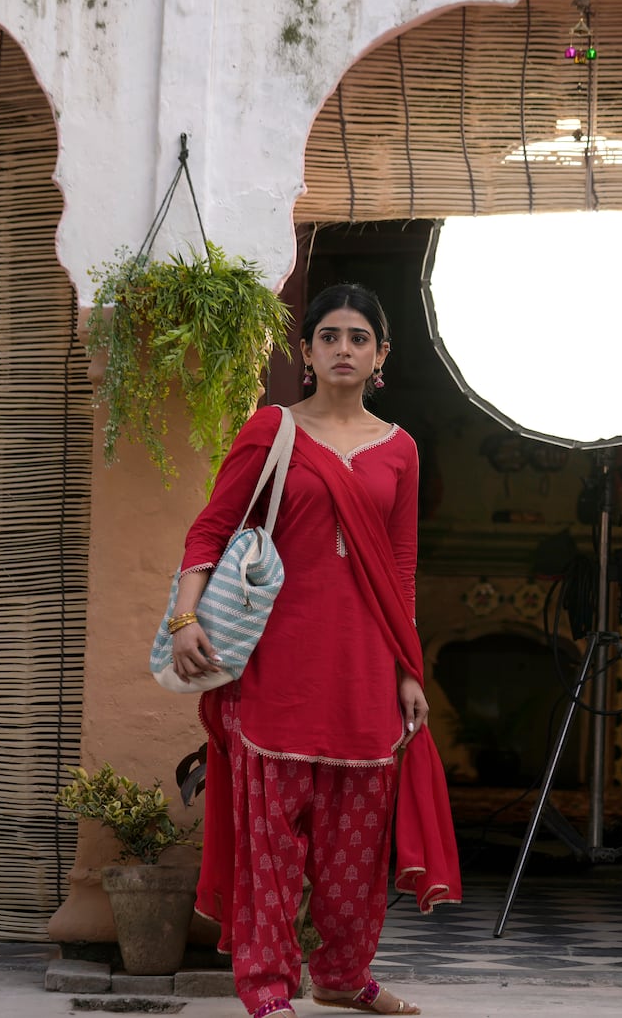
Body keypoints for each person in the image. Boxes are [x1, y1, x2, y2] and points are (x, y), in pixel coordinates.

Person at [169, 283, 461, 1018]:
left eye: (358, 338)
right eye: (328, 335)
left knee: (356, 845)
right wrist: (184, 618)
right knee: (270, 841)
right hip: (275, 661)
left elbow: (401, 568)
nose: (342, 349)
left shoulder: (401, 450)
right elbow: (210, 529)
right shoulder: (272, 432)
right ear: (305, 351)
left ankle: (340, 973)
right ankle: (267, 985)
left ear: (380, 356)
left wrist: (407, 669)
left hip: (365, 667)